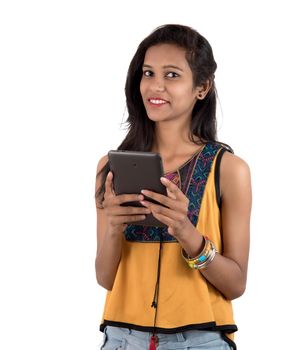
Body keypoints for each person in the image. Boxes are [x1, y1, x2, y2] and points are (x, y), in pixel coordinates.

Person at [94, 24, 252, 350]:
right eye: (148, 73)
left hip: (200, 340)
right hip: (122, 339)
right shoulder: (110, 169)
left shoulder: (229, 169)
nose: (155, 85)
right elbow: (105, 278)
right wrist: (113, 228)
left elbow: (235, 284)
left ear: (202, 87)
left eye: (172, 75)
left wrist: (186, 231)